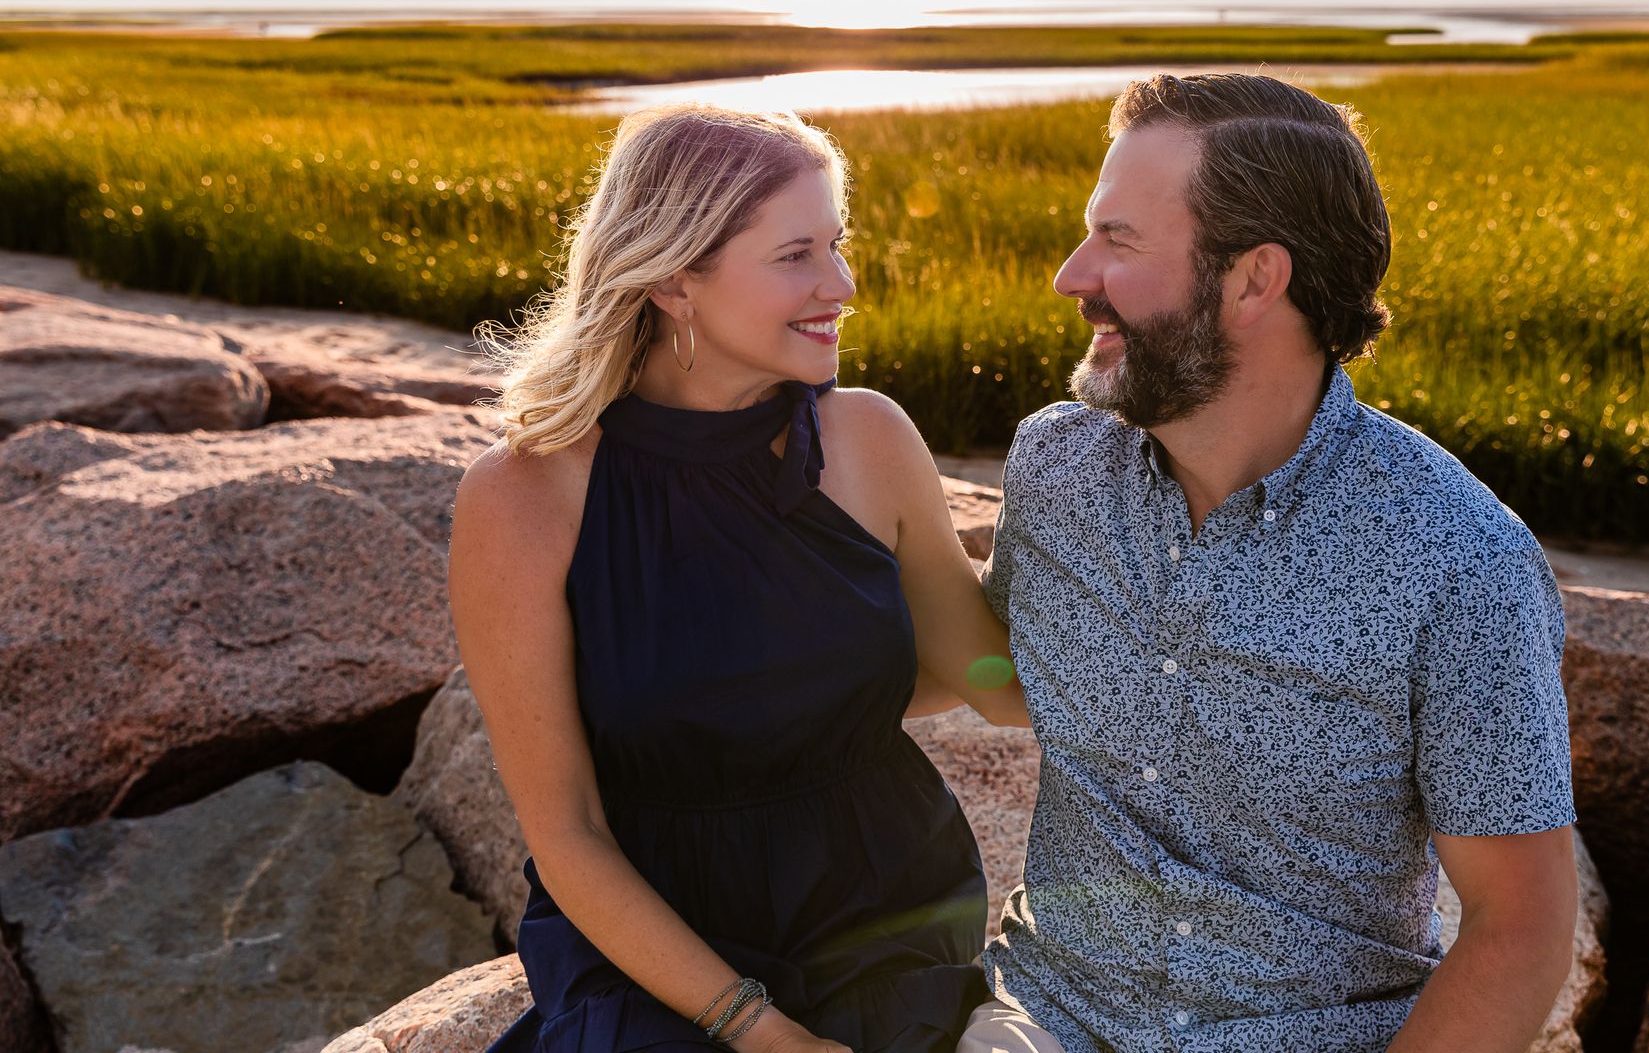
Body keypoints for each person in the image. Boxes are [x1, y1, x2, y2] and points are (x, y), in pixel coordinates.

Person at [959, 73, 1580, 1053]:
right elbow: (993, 673)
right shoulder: (1054, 464)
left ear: (1254, 278)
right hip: (1046, 1018)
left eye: (1119, 241)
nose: (1072, 274)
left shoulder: (1457, 557)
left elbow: (1521, 923)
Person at [449, 102, 1028, 1053]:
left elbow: (989, 683)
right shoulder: (523, 499)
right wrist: (759, 1032)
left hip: (881, 906)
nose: (841, 283)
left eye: (838, 245)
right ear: (675, 278)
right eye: (796, 254)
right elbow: (568, 831)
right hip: (655, 931)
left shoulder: (867, 440)